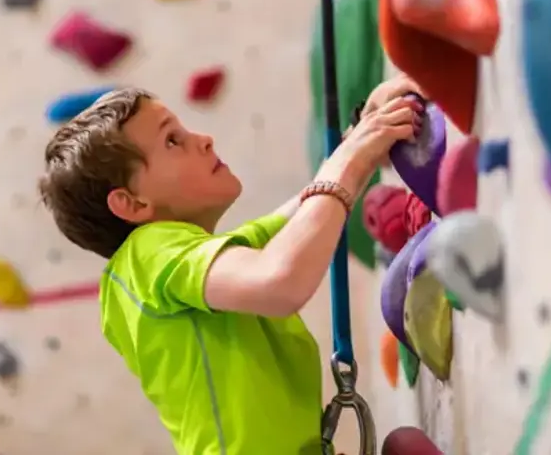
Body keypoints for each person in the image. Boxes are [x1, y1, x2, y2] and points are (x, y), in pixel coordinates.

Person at [38, 76, 424, 455]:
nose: (203, 139)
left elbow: (306, 215)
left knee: (404, 446)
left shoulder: (187, 260)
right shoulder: (146, 255)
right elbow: (281, 280)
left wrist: (365, 129)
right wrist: (353, 158)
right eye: (173, 140)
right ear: (134, 204)